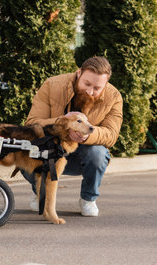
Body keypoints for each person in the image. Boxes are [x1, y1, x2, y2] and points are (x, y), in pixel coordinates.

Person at [22, 56, 123, 217]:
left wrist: (86, 136)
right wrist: (63, 123)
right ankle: (39, 192)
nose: (90, 91)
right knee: (25, 151)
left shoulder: (114, 97)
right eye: (87, 84)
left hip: (81, 153)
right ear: (78, 74)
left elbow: (111, 135)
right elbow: (32, 124)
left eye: (97, 88)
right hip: (50, 149)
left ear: (105, 85)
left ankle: (88, 199)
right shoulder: (52, 85)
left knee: (98, 153)